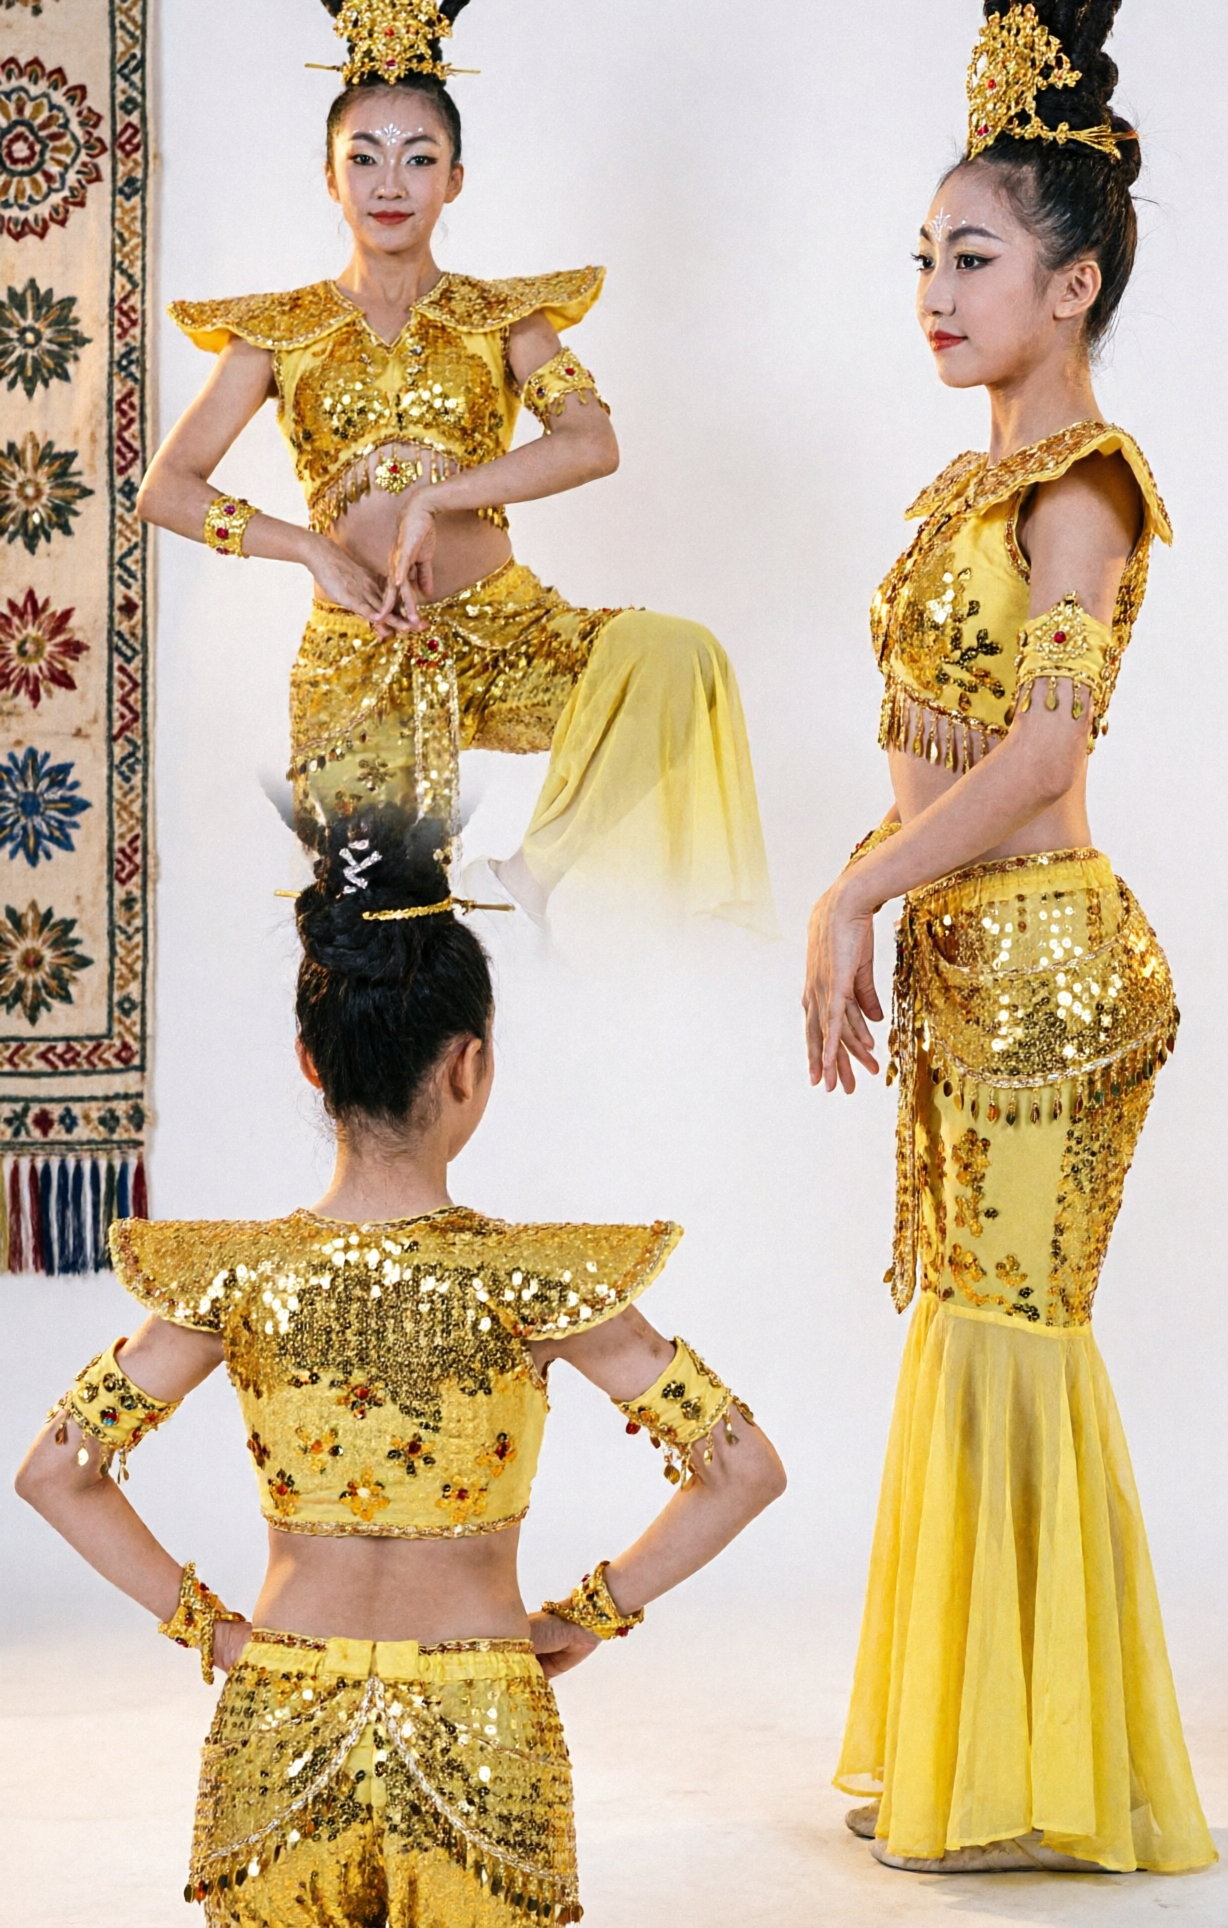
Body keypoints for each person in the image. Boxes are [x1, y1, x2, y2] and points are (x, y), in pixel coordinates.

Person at [14, 816, 785, 1925]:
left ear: (311, 1062)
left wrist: (213, 1632)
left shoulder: (237, 1276)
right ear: (469, 1064)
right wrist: (591, 1612)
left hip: (278, 1724)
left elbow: (55, 1472)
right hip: (485, 1726)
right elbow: (743, 1468)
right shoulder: (538, 1280)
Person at [801, 0, 1213, 1877]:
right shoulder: (960, 486)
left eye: (970, 257)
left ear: (1073, 281)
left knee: (1014, 1332)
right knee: (967, 1327)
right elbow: (941, 747)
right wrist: (878, 889)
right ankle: (975, 1749)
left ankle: (1047, 1770)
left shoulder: (1080, 488)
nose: (934, 290)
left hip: (1050, 968)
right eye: (922, 256)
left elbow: (1044, 755)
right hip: (971, 961)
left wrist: (852, 896)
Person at [136, 0, 770, 930]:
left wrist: (440, 499)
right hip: (360, 647)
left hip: (512, 634)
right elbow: (166, 488)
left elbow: (592, 442)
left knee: (675, 654)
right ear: (329, 177)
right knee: (382, 943)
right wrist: (313, 551)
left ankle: (538, 871)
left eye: (419, 155)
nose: (391, 181)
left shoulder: (503, 317)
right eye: (365, 156)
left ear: (456, 178)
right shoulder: (277, 331)